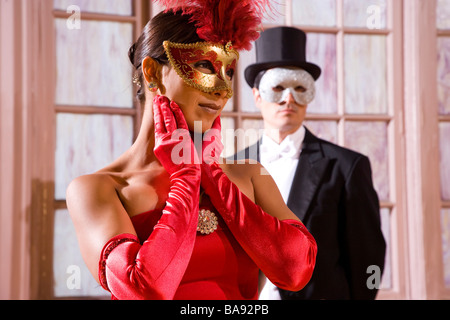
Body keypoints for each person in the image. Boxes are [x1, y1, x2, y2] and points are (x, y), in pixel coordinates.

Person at [66, 3, 317, 300]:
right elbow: (143, 290)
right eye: (204, 66)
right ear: (152, 72)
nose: (223, 90)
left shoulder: (250, 176)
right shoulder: (97, 189)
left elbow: (295, 272)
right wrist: (186, 178)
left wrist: (213, 176)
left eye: (229, 71)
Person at [238, 26, 386, 300]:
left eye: (299, 88)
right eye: (277, 88)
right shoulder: (231, 167)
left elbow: (369, 255)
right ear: (257, 95)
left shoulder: (346, 167)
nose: (288, 99)